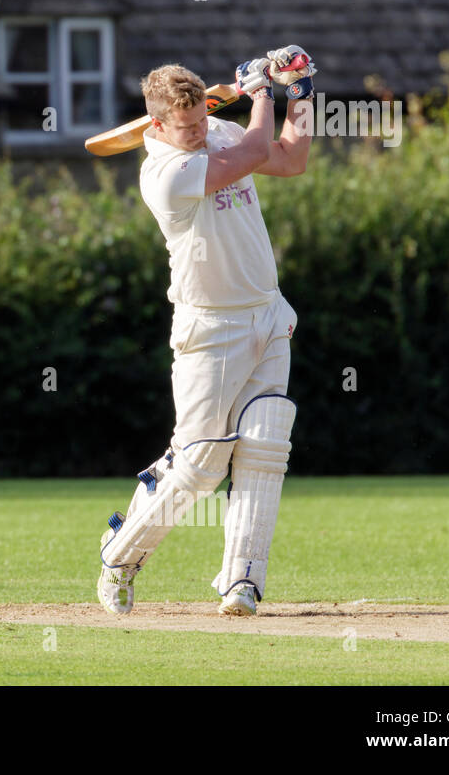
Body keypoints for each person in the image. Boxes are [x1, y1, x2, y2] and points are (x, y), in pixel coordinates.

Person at [97, 47, 315, 616]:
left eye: (202, 122)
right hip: (209, 329)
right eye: (186, 127)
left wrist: (301, 94)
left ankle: (242, 580)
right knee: (199, 466)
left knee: (266, 443)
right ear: (157, 124)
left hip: (267, 312)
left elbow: (289, 160)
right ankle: (120, 557)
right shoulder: (164, 173)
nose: (197, 133)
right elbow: (252, 151)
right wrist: (262, 93)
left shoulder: (216, 130)